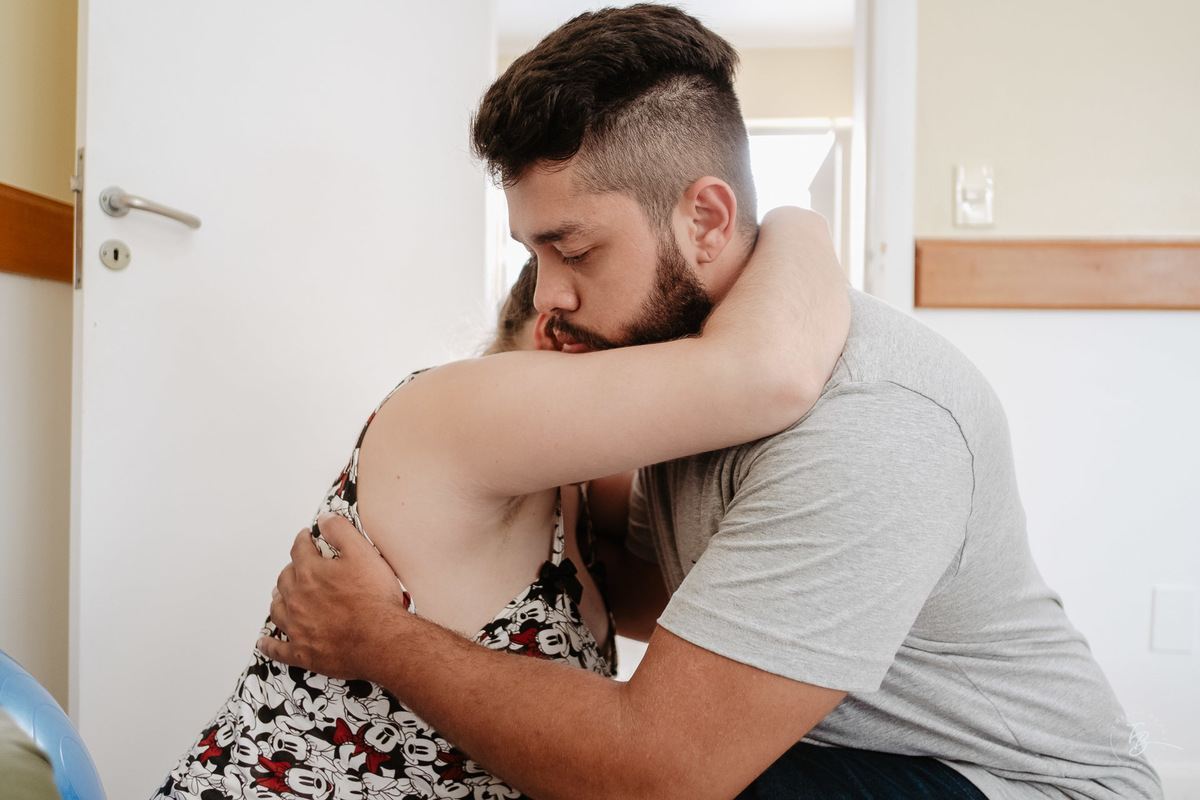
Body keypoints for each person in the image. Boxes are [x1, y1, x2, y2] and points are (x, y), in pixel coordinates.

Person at [259, 5, 1164, 800]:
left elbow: (658, 773)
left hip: (1011, 783)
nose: (547, 298)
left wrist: (377, 637)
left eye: (575, 250)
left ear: (707, 219)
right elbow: (667, 600)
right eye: (534, 256)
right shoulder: (689, 366)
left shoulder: (872, 423)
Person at [152, 203, 849, 800]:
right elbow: (764, 372)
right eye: (654, 372)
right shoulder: (458, 407)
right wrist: (799, 222)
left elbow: (727, 616)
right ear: (556, 338)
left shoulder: (578, 498)